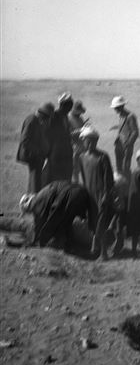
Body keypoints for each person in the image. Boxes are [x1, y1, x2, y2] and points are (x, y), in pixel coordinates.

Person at [19, 182, 97, 256]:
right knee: (68, 221)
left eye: (29, 211)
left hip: (70, 196)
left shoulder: (36, 202)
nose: (32, 212)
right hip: (81, 191)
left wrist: (38, 240)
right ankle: (91, 244)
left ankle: (72, 246)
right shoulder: (42, 193)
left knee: (61, 222)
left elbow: (41, 221)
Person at [77, 126, 116, 260]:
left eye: (93, 141)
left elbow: (109, 179)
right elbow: (83, 177)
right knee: (93, 224)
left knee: (102, 225)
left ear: (97, 141)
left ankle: (103, 253)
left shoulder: (103, 157)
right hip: (90, 195)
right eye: (87, 141)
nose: (90, 144)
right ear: (83, 141)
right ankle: (95, 249)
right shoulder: (81, 157)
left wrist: (106, 195)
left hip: (101, 196)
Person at [17, 103, 53, 193]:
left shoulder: (37, 120)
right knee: (35, 181)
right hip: (33, 156)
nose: (46, 120)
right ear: (43, 114)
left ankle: (31, 199)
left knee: (35, 180)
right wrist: (38, 152)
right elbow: (24, 140)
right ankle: (34, 200)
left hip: (37, 156)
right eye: (46, 117)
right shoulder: (32, 119)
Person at [47, 92, 75, 183]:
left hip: (66, 153)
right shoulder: (54, 116)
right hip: (57, 155)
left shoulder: (65, 116)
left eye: (71, 105)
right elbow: (50, 135)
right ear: (62, 105)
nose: (71, 108)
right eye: (69, 105)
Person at [111, 96, 139, 179]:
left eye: (116, 108)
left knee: (125, 168)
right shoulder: (121, 116)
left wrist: (128, 144)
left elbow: (135, 132)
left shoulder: (130, 116)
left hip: (126, 146)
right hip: (119, 145)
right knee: (119, 167)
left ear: (121, 106)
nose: (115, 109)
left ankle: (128, 186)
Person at [68, 100, 89, 182]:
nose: (80, 114)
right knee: (75, 170)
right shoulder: (68, 119)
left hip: (82, 146)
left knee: (84, 168)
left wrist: (85, 126)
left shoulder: (80, 118)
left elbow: (81, 127)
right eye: (79, 112)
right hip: (73, 147)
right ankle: (75, 185)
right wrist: (81, 130)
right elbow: (68, 133)